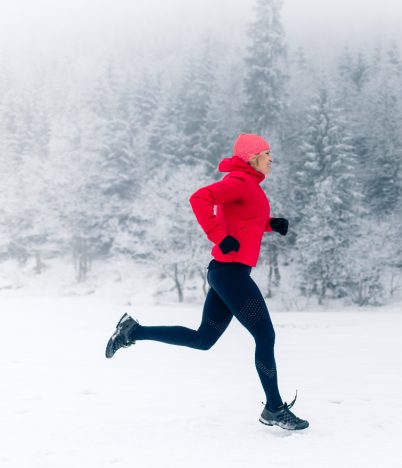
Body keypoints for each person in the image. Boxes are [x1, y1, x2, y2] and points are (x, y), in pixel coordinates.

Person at [105, 133, 309, 431]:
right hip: (230, 273)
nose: (271, 159)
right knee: (265, 337)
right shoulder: (238, 181)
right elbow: (199, 198)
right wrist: (218, 236)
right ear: (253, 157)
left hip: (228, 273)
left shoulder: (248, 185)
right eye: (267, 154)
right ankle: (274, 408)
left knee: (204, 340)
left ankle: (133, 331)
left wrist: (269, 225)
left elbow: (244, 220)